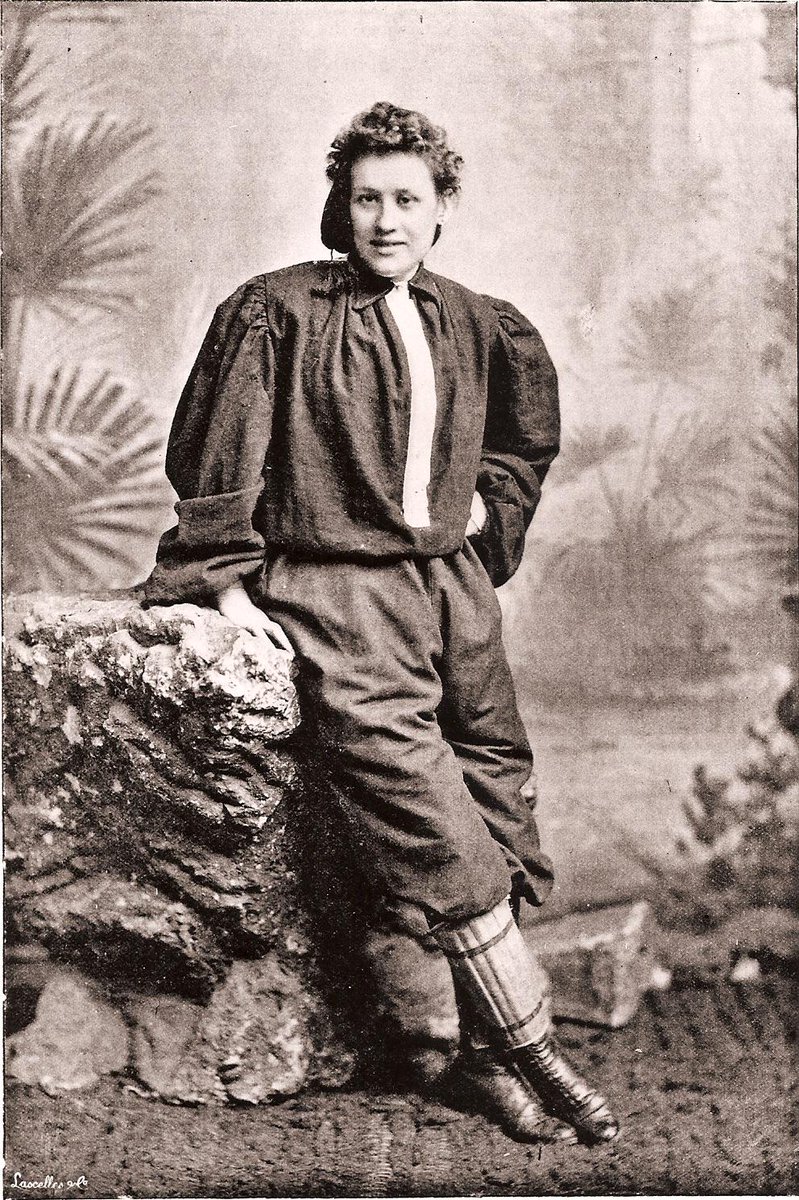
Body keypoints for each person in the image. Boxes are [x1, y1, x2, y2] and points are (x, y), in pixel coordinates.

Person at [145, 101, 619, 1146]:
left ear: (443, 206)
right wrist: (228, 588)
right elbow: (218, 458)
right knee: (427, 816)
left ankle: (479, 1060)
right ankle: (538, 1054)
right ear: (340, 206)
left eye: (407, 198)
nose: (386, 220)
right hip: (337, 592)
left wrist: (481, 514)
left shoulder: (475, 319)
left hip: (451, 593)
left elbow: (520, 445)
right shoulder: (277, 311)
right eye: (366, 199)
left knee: (494, 787)